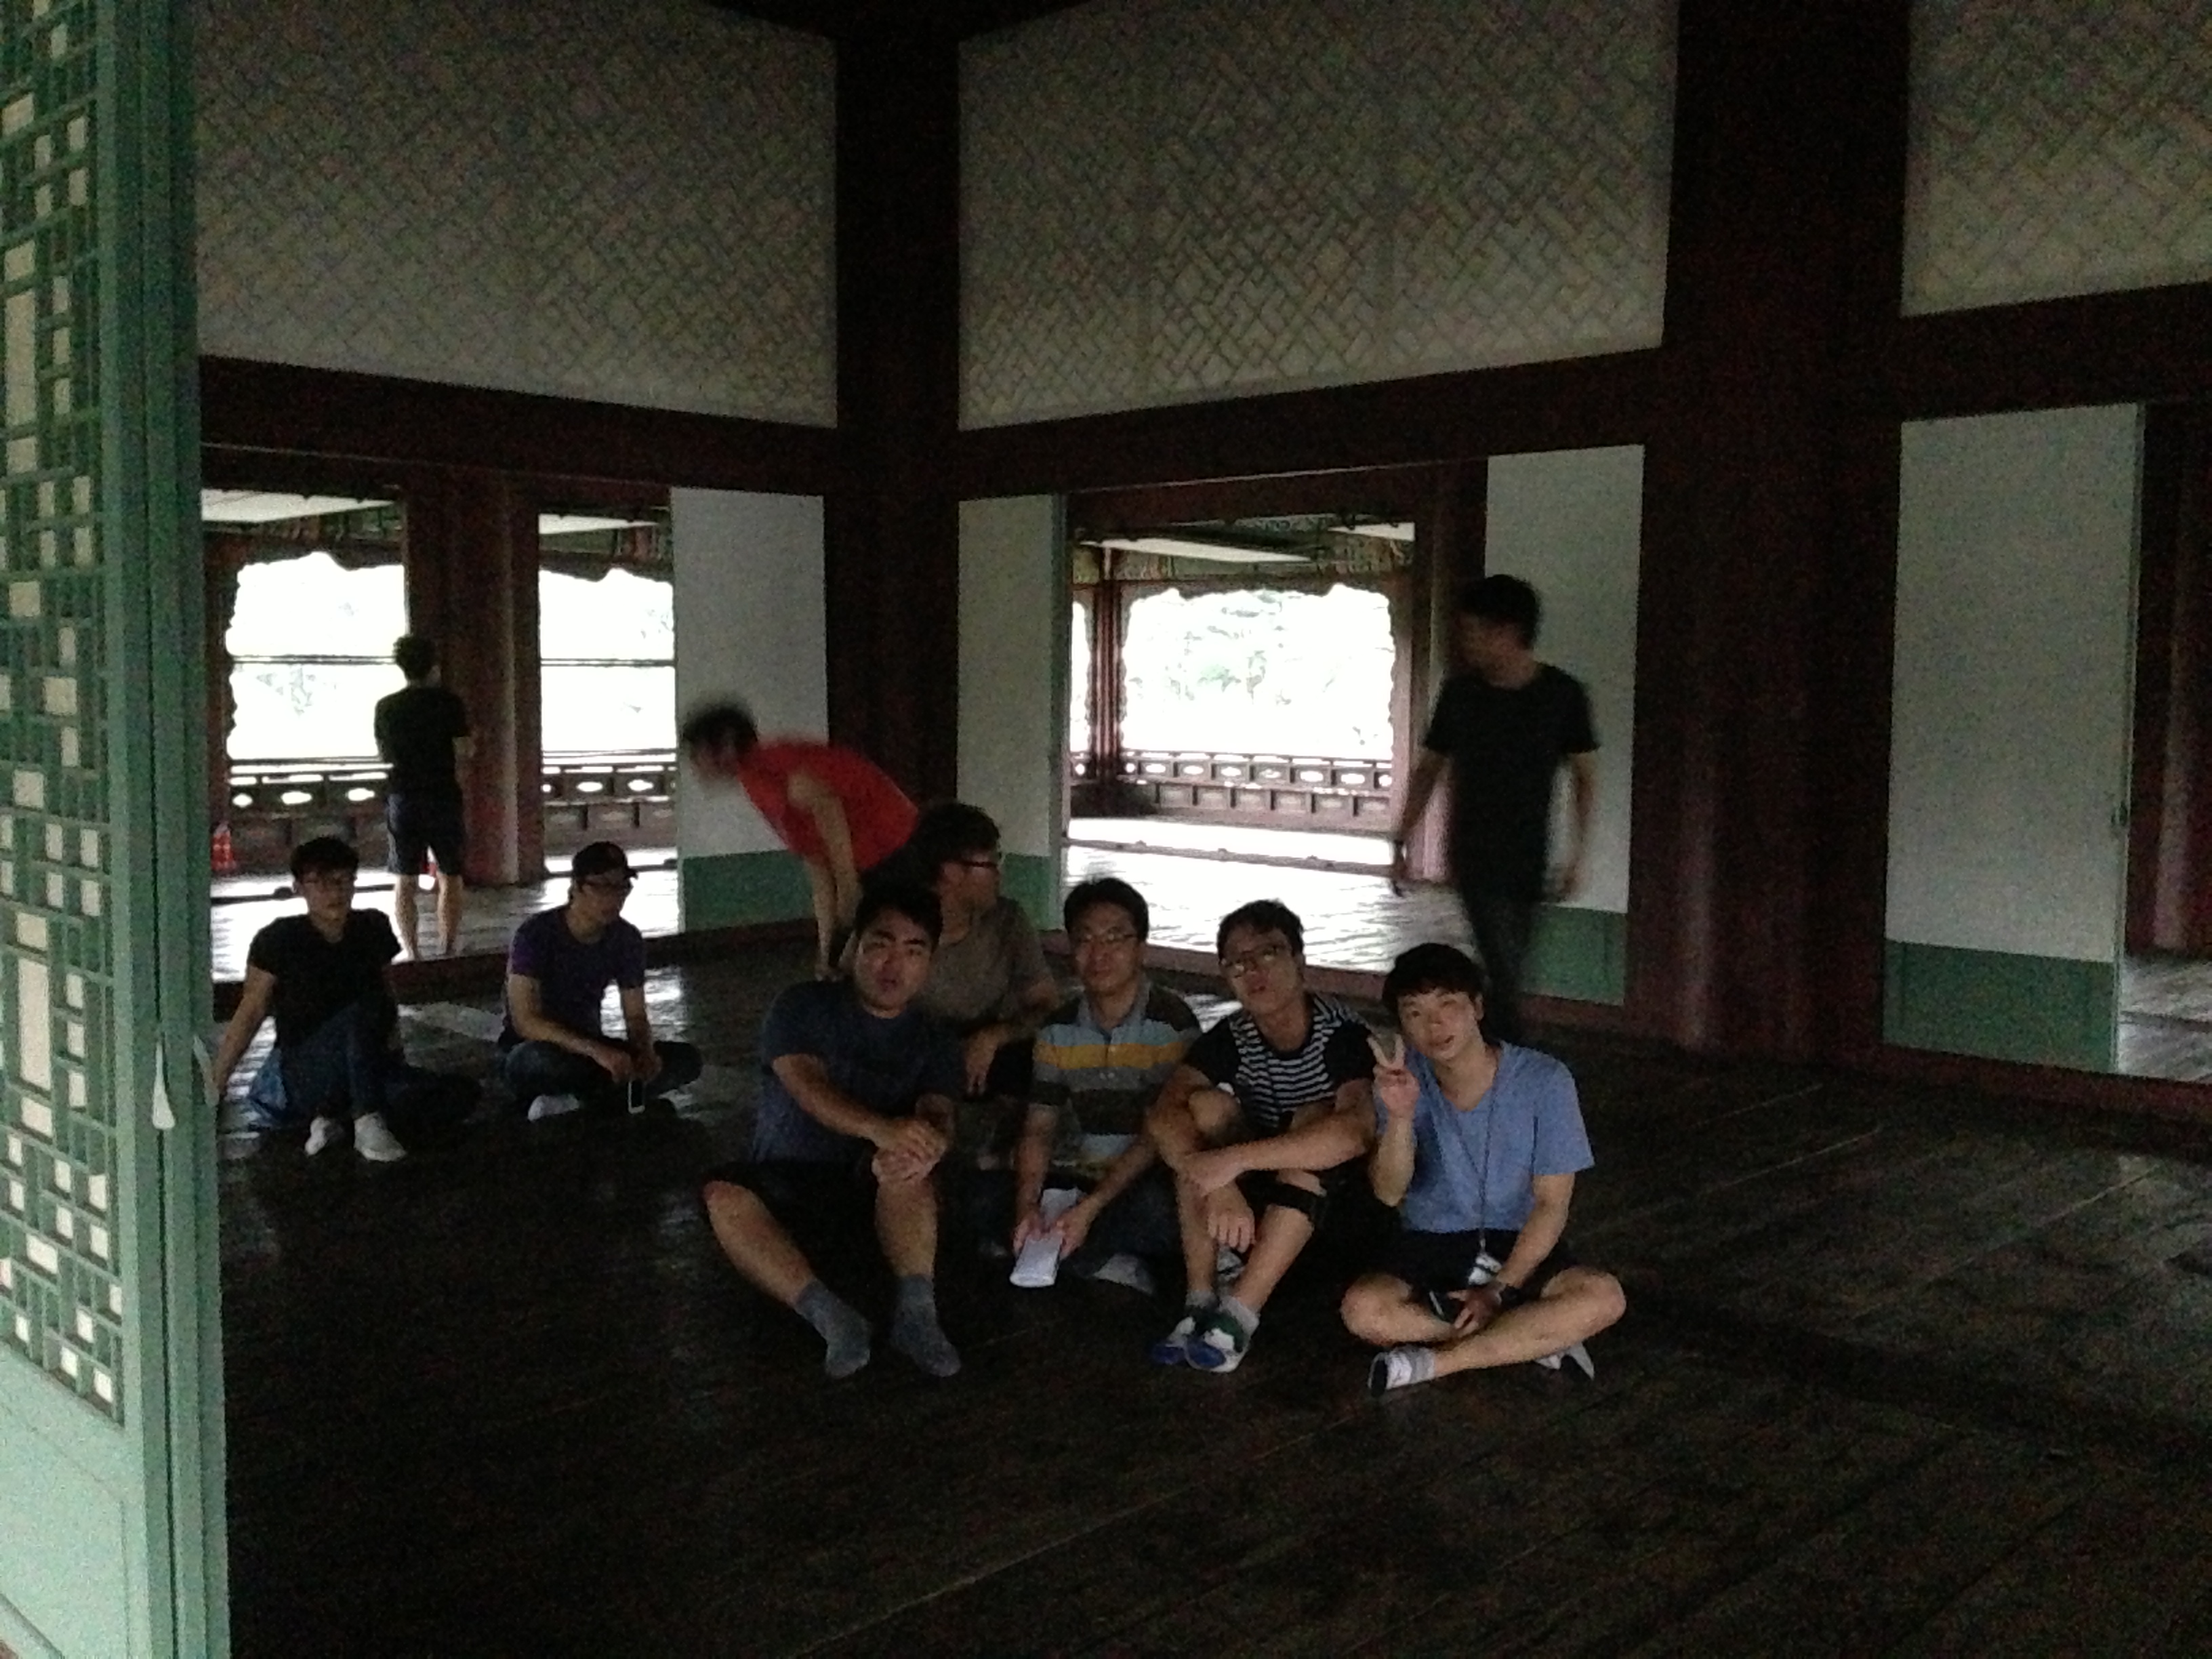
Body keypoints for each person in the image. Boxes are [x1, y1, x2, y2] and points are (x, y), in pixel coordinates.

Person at [700, 884, 968, 1379]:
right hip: (788, 1181)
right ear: (854, 948)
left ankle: (917, 1317)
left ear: (930, 962)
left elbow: (938, 1111)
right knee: (724, 1197)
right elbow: (807, 1085)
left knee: (908, 1166)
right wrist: (885, 1129)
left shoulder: (937, 1039)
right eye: (880, 944)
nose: (894, 964)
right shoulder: (802, 1006)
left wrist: (929, 1142)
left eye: (914, 951)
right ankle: (830, 1318)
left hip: (873, 1191)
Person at [1343, 943, 1625, 1396]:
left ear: (1477, 1007)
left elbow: (1551, 1205)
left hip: (1518, 1239)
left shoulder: (1545, 1080)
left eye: (1448, 1005)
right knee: (1363, 1310)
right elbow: (1390, 1192)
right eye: (1415, 1013)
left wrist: (1499, 1290)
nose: (1434, 1025)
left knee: (1604, 1297)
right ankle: (1532, 1338)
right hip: (1430, 1240)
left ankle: (1436, 1362)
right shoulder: (1401, 1079)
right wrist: (1399, 1116)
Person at [1144, 900, 1374, 1373]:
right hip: (1266, 1191)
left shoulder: (1342, 1036)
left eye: (1268, 953)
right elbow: (1164, 1113)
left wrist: (1233, 1162)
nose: (1253, 971)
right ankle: (1200, 1299)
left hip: (1343, 1206)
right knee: (1200, 1112)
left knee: (1314, 1120)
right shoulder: (1235, 1035)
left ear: (1300, 961)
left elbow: (1354, 1135)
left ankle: (1239, 1315)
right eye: (1237, 963)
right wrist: (1219, 1181)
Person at [1391, 575, 1597, 1044]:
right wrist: (1402, 838)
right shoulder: (1461, 695)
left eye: (1474, 631)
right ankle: (1507, 1050)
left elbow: (1585, 778)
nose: (1466, 642)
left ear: (1508, 632)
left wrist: (1578, 856)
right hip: (1473, 849)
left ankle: (1492, 1047)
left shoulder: (1562, 695)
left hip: (1530, 851)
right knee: (1502, 965)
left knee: (1510, 965)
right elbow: (1428, 770)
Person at [992, 878, 1200, 1293]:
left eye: (1115, 938)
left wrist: (1092, 1206)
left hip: (1142, 1181)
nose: (1099, 953)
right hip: (1078, 1177)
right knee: (985, 1198)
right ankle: (1093, 1256)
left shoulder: (1171, 1022)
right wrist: (1027, 1206)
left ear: (1141, 948)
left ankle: (1084, 1254)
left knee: (1162, 1211)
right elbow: (1040, 1127)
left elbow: (1159, 1135)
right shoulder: (1058, 1029)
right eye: (1085, 939)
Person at [680, 700, 918, 977]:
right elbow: (816, 861)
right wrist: (825, 953)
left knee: (872, 962)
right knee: (838, 969)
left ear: (726, 745)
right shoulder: (755, 780)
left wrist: (848, 887)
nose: (694, 764)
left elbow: (827, 806)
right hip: (876, 861)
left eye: (697, 752)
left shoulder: (773, 765)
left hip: (898, 850)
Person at [209, 836, 408, 1162]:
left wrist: (396, 1052)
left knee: (454, 1095)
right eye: (320, 883)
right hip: (306, 1064)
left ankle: (332, 1119)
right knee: (360, 1012)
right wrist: (218, 1083)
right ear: (299, 887)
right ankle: (364, 1118)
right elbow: (252, 1010)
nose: (334, 892)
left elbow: (387, 990)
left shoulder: (372, 926)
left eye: (342, 881)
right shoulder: (279, 939)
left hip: (365, 1059)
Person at [497, 840, 702, 1118]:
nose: (614, 898)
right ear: (577, 887)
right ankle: (608, 1098)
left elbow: (635, 1016)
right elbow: (526, 1021)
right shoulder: (535, 935)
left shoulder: (626, 938)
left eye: (621, 888)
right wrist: (597, 1052)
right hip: (537, 1047)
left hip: (591, 1049)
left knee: (686, 1060)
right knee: (538, 1061)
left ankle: (576, 1101)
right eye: (602, 887)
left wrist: (644, 1052)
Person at [901, 802, 1059, 1114]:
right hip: (909, 1051)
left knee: (1046, 1053)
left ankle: (1013, 1134)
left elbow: (1046, 1005)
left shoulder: (1008, 920)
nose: (1000, 873)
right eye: (992, 862)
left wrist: (994, 1036)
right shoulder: (894, 922)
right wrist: (944, 1053)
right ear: (951, 872)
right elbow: (858, 1009)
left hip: (983, 1049)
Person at [373, 634, 472, 960]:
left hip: (403, 796)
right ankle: (448, 947)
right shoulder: (449, 703)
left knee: (405, 878)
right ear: (434, 666)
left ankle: (413, 952)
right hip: (442, 794)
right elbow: (464, 750)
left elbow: (384, 755)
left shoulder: (386, 707)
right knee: (450, 874)